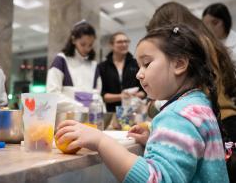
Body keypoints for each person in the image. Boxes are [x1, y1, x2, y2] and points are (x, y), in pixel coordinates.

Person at [56, 24, 229, 182]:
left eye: (146, 64)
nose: (139, 74)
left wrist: (100, 142)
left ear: (179, 63)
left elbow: (156, 179)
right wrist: (156, 138)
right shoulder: (196, 104)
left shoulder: (177, 116)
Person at [146, 2, 236, 144]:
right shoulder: (208, 42)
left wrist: (156, 105)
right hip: (226, 120)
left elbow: (188, 93)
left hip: (216, 126)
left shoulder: (193, 47)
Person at [46, 20, 101, 113]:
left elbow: (97, 95)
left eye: (90, 45)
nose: (87, 49)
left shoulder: (93, 65)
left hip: (89, 118)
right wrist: (79, 107)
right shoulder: (61, 60)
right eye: (83, 44)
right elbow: (52, 95)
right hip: (65, 118)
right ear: (73, 40)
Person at [98, 32, 144, 128]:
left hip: (133, 113)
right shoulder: (102, 67)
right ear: (111, 45)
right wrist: (122, 96)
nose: (124, 44)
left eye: (126, 41)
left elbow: (144, 91)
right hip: (111, 115)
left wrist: (134, 95)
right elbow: (102, 95)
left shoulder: (136, 64)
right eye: (120, 42)